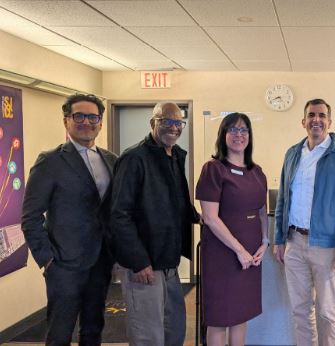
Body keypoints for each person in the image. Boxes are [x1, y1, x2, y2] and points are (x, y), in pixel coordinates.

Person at [21, 94, 117, 345]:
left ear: (100, 123)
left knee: (94, 329)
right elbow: (30, 217)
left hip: (101, 261)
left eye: (93, 117)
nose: (86, 121)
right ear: (66, 121)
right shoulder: (50, 161)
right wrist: (48, 260)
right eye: (79, 116)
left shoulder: (111, 160)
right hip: (64, 265)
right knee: (60, 333)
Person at [273, 98, 335, 346]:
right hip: (294, 242)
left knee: (328, 312)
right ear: (303, 121)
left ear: (329, 122)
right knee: (300, 311)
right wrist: (279, 239)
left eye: (322, 115)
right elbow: (283, 199)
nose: (317, 120)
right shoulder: (293, 154)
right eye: (312, 115)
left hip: (328, 247)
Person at [110, 102, 199, 346]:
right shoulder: (134, 159)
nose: (173, 127)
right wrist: (138, 261)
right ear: (153, 123)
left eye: (178, 122)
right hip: (144, 265)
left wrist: (206, 219)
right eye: (166, 121)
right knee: (148, 335)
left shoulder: (174, 156)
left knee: (173, 332)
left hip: (169, 262)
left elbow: (176, 202)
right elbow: (119, 214)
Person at [196, 112, 268, 346]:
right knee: (219, 318)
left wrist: (265, 242)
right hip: (222, 253)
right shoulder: (214, 169)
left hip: (251, 254)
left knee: (240, 314)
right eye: (233, 130)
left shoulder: (257, 172)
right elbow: (210, 217)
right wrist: (239, 250)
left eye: (244, 130)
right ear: (223, 135)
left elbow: (261, 210)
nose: (239, 134)